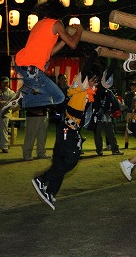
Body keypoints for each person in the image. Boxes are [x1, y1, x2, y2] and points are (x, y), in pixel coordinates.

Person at [31, 57, 101, 210]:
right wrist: (94, 53)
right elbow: (84, 72)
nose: (95, 83)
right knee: (71, 160)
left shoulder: (89, 93)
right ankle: (42, 179)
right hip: (67, 129)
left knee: (61, 163)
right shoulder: (78, 86)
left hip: (70, 129)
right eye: (94, 80)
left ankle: (50, 191)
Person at [2, 10, 84, 112]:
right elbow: (73, 44)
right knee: (59, 97)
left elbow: (49, 53)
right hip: (32, 71)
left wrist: (64, 40)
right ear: (59, 19)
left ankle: (23, 93)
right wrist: (80, 30)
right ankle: (22, 101)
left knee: (33, 86)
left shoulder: (40, 24)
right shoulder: (55, 23)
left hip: (22, 67)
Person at [92, 66, 123, 156]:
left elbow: (115, 104)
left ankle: (114, 150)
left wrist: (113, 111)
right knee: (99, 134)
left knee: (110, 133)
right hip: (98, 115)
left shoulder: (109, 92)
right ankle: (100, 150)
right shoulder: (97, 91)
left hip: (106, 115)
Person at [122, 81, 136, 149]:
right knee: (127, 127)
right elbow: (126, 101)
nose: (133, 87)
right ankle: (126, 143)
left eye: (134, 85)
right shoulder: (128, 93)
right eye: (132, 85)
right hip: (129, 112)